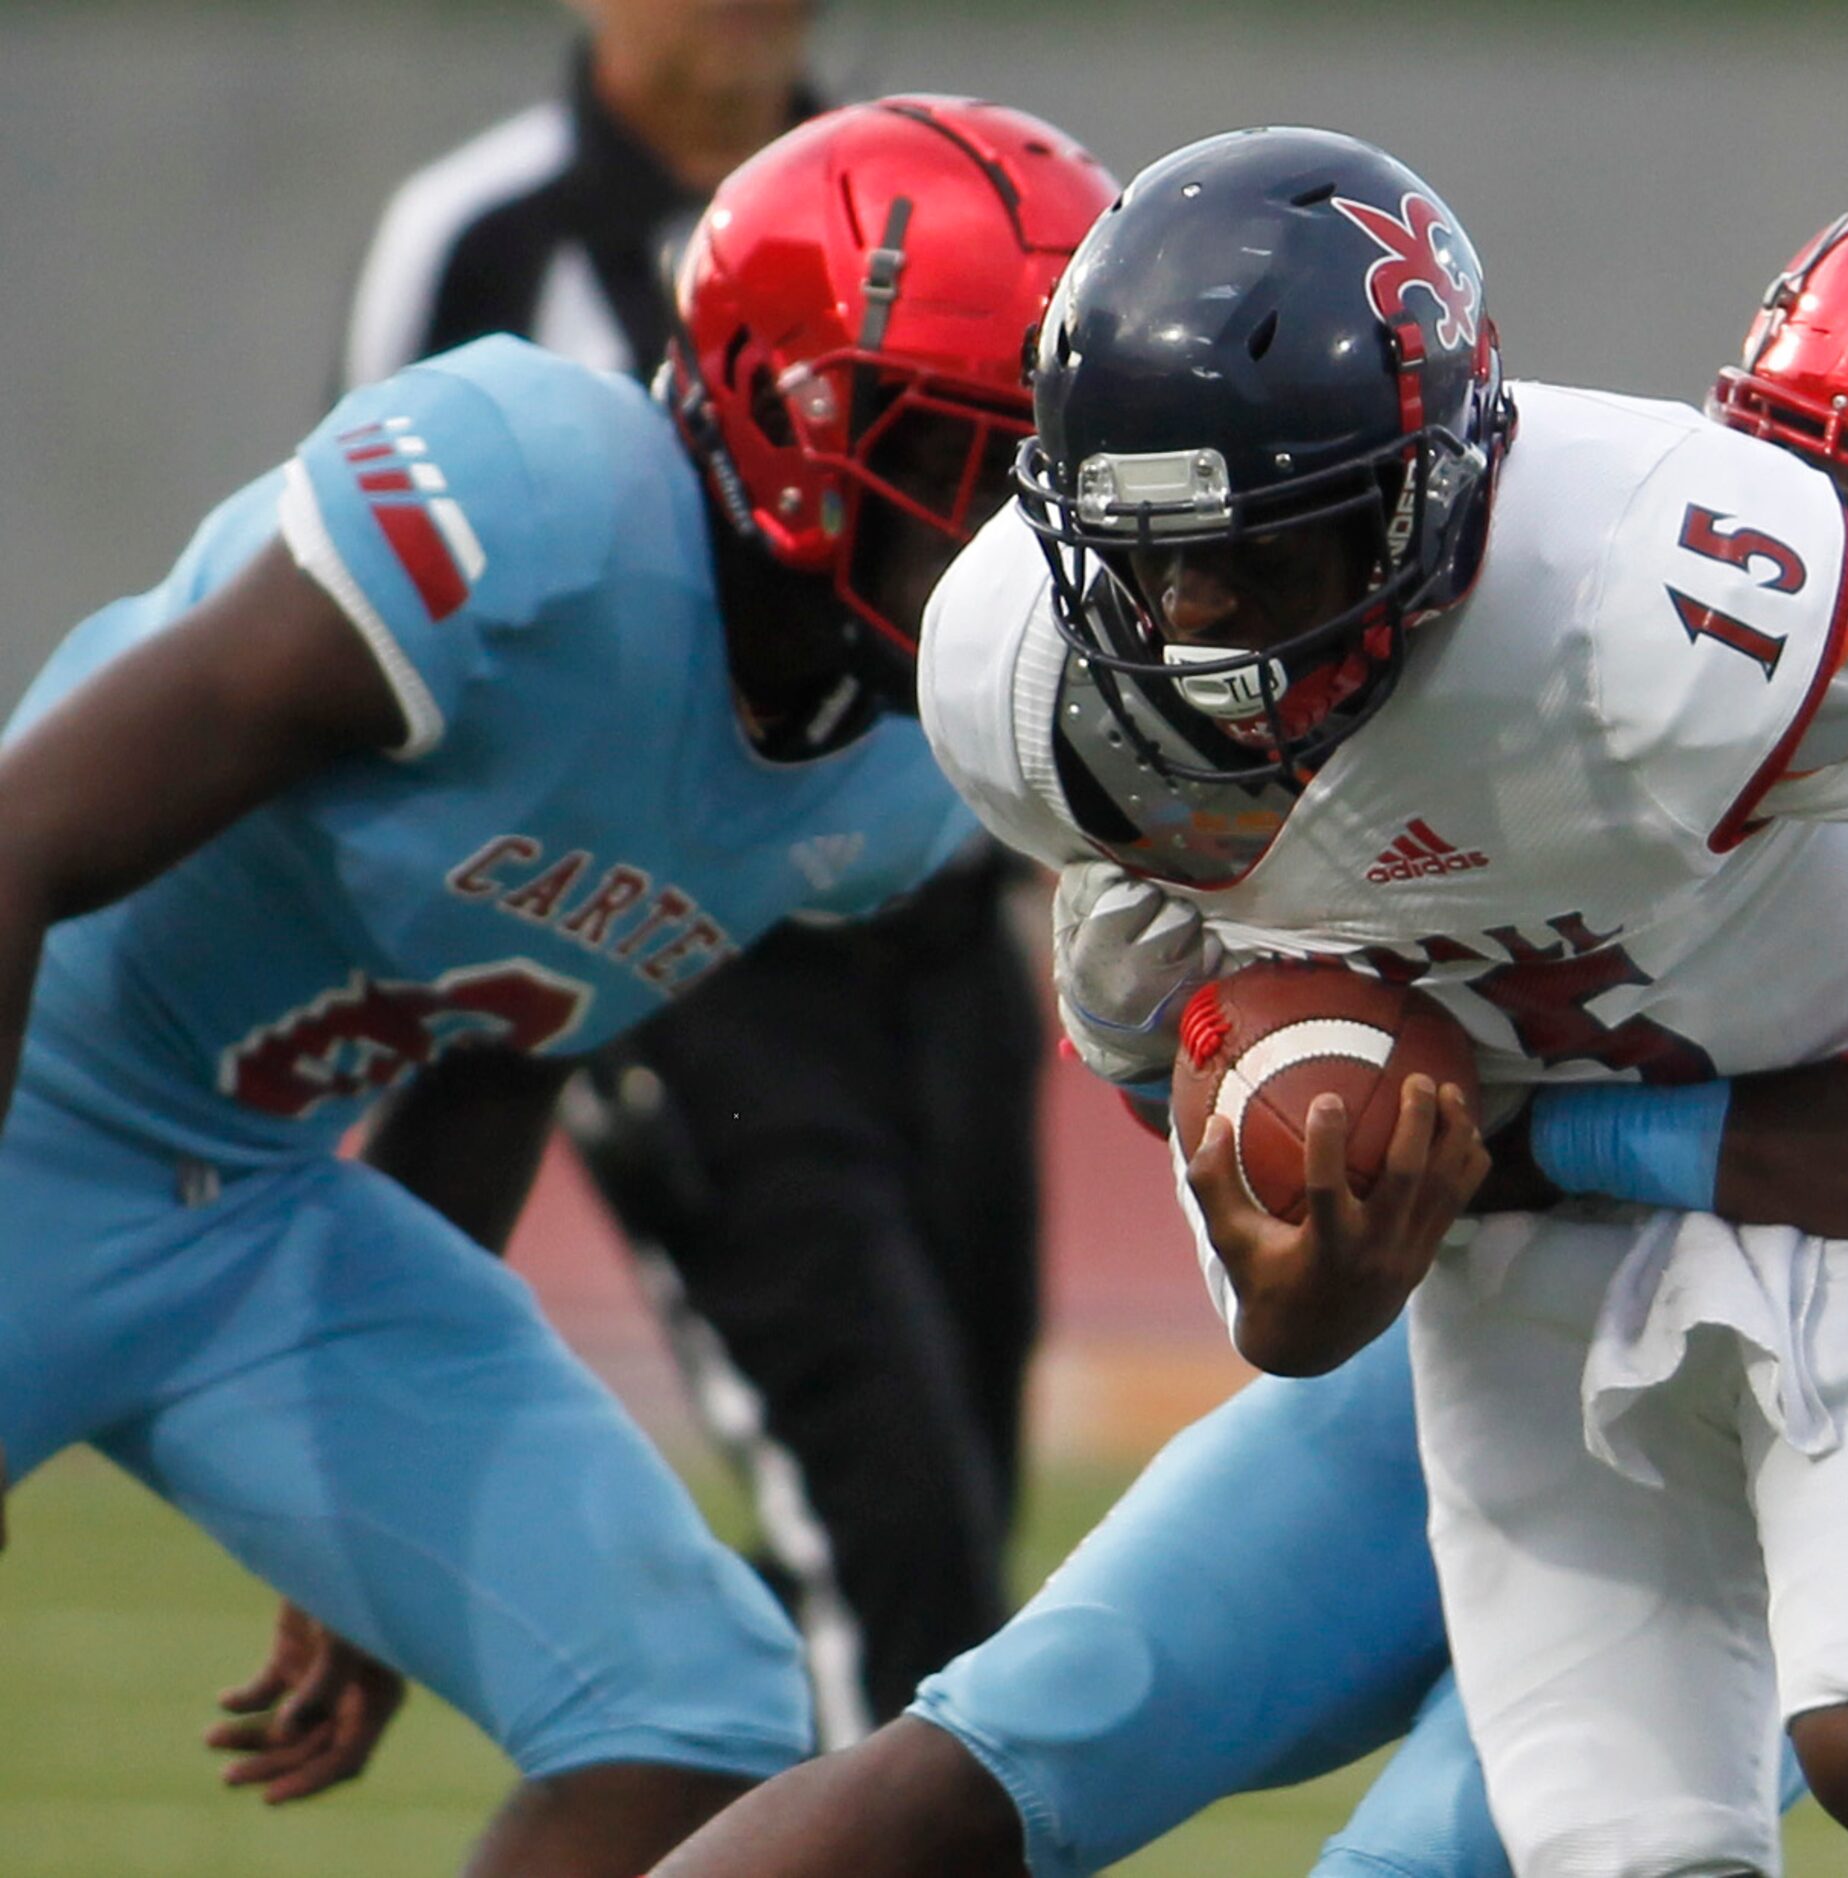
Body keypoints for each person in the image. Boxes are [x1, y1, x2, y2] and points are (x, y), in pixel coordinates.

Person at [660, 140, 1848, 1877]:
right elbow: (1203, 1082)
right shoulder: (1158, 651)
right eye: (1824, 485)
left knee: (1505, 1848)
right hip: (1490, 1289)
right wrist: (1292, 1255)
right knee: (1021, 1737)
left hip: (1827, 1312)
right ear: (1748, 446)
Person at [0, 95, 1115, 1878]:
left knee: (697, 1704)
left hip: (258, 1210)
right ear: (809, 424)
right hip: (36, 1113)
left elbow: (513, 1037)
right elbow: (24, 837)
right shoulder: (536, 499)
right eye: (976, 462)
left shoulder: (896, 777)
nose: (1022, 535)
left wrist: (366, 1541)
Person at [341, 0, 1048, 1740]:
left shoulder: (944, 195)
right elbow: (375, 590)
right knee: (888, 1531)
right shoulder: (483, 232)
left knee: (958, 1505)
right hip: (689, 942)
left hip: (934, 917)